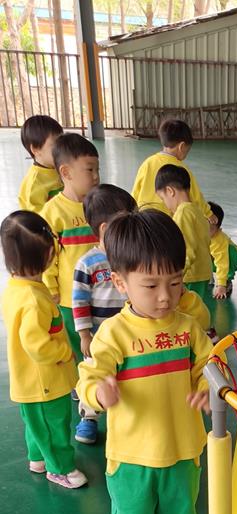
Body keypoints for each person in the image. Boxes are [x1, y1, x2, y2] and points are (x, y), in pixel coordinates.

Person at [76, 209, 213, 514]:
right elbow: (89, 376)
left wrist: (207, 389)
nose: (165, 296)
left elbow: (208, 366)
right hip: (132, 454)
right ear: (121, 283)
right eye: (150, 285)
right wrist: (98, 393)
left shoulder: (188, 328)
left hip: (183, 447)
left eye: (175, 282)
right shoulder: (114, 334)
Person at [0, 211, 87, 489]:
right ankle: (60, 469)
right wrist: (64, 352)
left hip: (29, 380)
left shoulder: (16, 288)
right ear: (49, 255)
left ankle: (37, 458)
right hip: (45, 382)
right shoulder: (34, 300)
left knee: (35, 423)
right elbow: (36, 344)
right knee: (54, 426)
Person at [72, 184, 137, 444]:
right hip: (99, 335)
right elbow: (79, 301)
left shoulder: (131, 256)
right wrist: (84, 334)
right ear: (105, 229)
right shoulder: (87, 263)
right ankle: (89, 416)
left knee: (126, 373)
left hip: (128, 332)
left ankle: (126, 412)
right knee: (95, 374)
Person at [40, 133, 100, 360]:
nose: (96, 176)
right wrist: (52, 288)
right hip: (70, 297)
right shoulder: (53, 212)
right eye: (90, 169)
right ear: (66, 172)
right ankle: (80, 378)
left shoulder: (99, 205)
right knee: (78, 344)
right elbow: (47, 256)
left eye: (98, 169)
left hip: (103, 291)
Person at [131, 117, 214, 221]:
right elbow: (196, 196)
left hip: (143, 219)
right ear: (182, 147)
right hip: (166, 222)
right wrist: (208, 214)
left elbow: (135, 193)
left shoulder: (147, 163)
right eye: (187, 150)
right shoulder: (181, 169)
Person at [154, 163, 213, 302]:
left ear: (170, 191)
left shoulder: (183, 212)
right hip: (202, 272)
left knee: (186, 310)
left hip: (190, 275)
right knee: (196, 308)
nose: (165, 204)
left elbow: (186, 249)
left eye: (163, 198)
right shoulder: (196, 210)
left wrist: (175, 275)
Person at [18, 115, 63, 214]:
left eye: (62, 143)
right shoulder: (35, 183)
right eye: (55, 145)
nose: (61, 149)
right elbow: (37, 218)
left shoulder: (59, 167)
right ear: (36, 149)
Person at [208, 201, 237, 300]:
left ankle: (227, 281)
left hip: (228, 256)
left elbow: (222, 263)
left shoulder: (219, 241)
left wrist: (221, 284)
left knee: (227, 258)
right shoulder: (198, 234)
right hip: (212, 256)